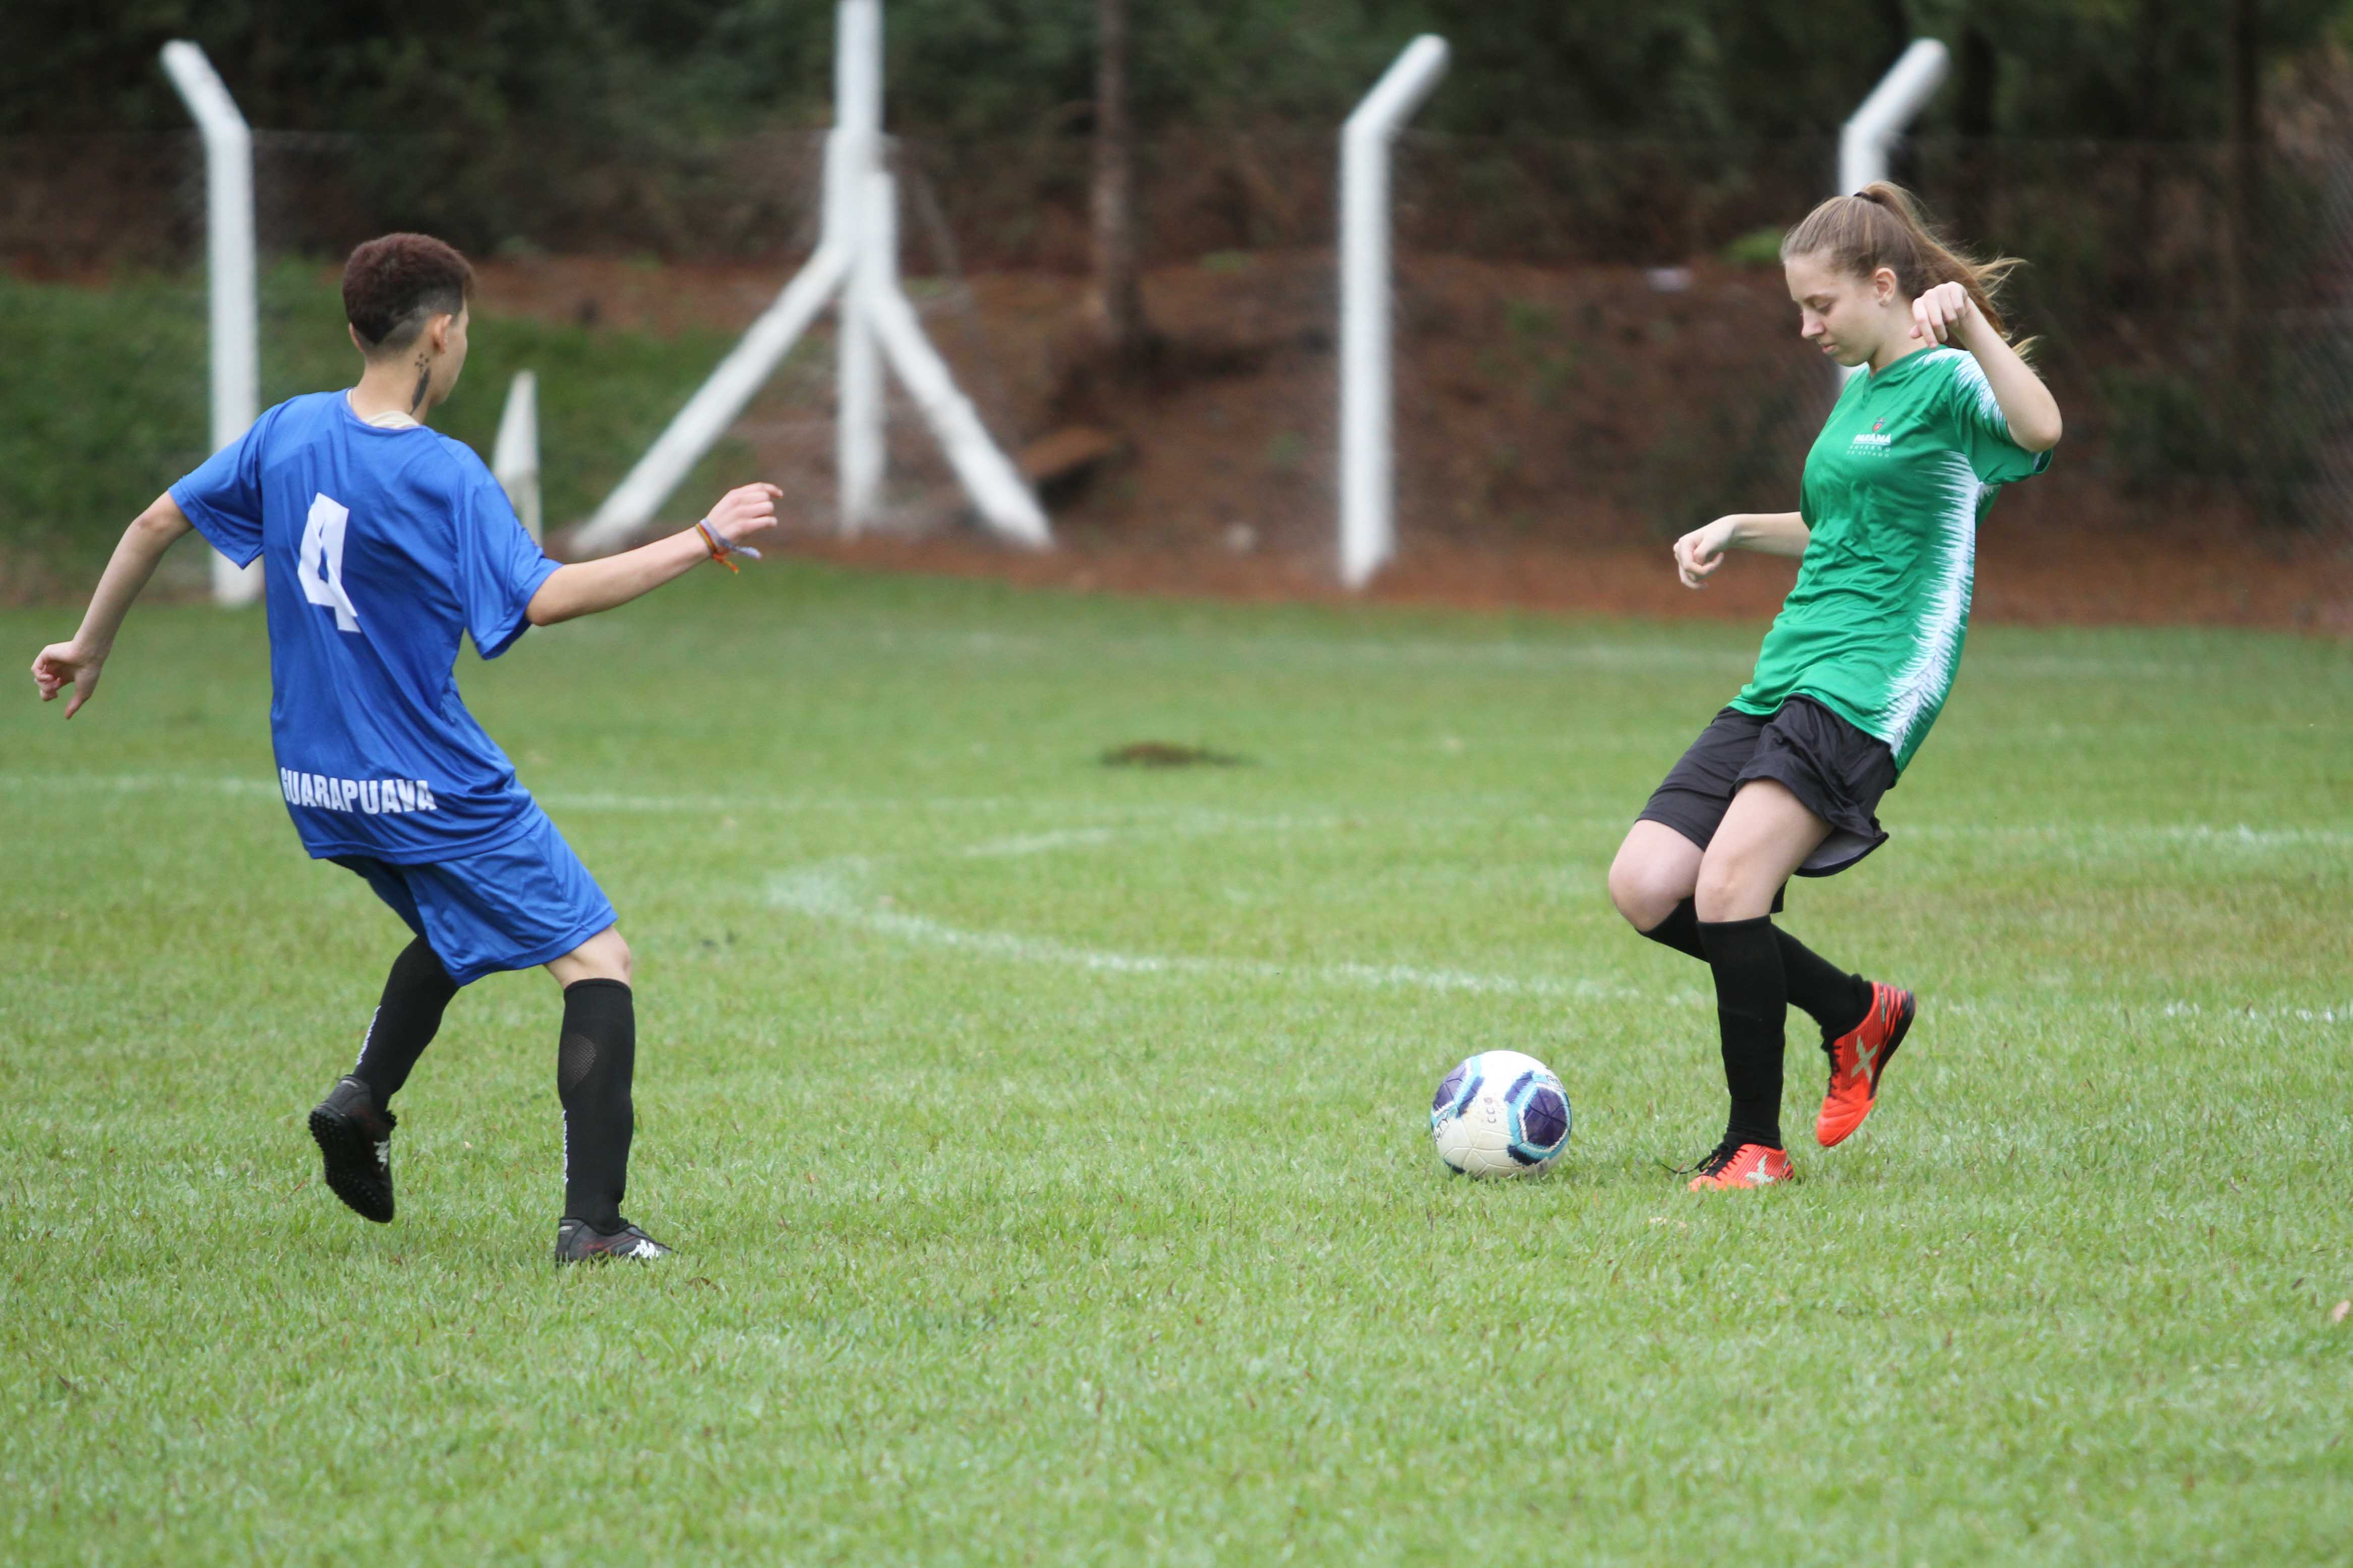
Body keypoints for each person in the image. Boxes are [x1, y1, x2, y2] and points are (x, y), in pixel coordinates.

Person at [31, 233, 782, 1260]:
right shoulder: (442, 473)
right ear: (441, 333)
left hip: (318, 779)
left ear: (355, 331)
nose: (462, 342)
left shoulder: (288, 431)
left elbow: (157, 520)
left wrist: (89, 643)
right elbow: (546, 598)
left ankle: (360, 1105)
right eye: (464, 327)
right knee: (598, 958)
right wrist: (699, 539)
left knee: (460, 925)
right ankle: (595, 1229)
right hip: (430, 780)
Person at [1606, 183, 2062, 1191]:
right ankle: (1856, 1010)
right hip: (1791, 665)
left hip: (1874, 677)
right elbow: (1837, 531)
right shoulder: (1864, 390)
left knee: (1729, 887)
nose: (1807, 327)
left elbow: (2040, 430)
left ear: (1884, 286)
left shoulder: (1947, 381)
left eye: (1821, 305)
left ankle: (1753, 1150)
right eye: (1800, 308)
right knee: (1646, 885)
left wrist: (1977, 328)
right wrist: (1737, 526)